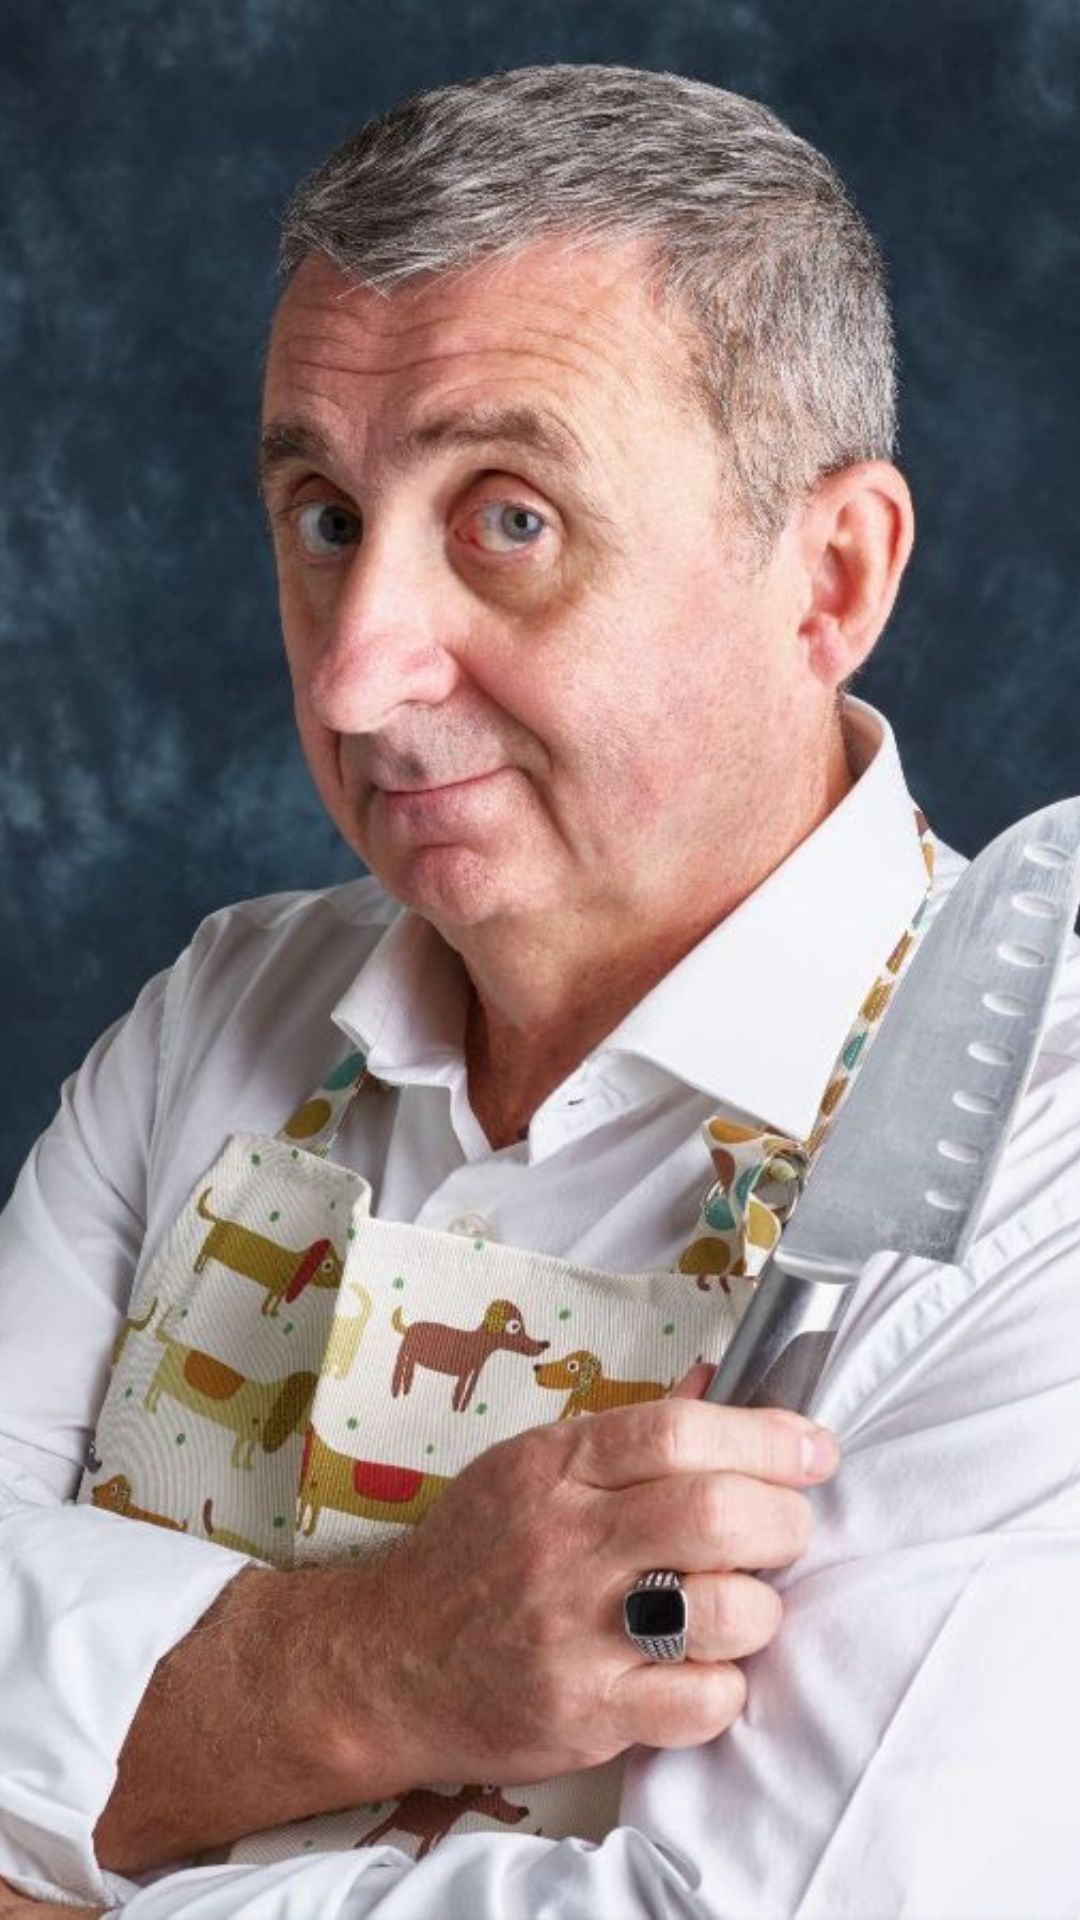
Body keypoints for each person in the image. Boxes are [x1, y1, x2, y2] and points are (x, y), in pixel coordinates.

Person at [1, 63, 1078, 1920]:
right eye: (325, 517)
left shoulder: (1042, 1146)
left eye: (509, 520)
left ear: (828, 579)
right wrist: (378, 1664)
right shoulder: (221, 1012)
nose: (354, 677)